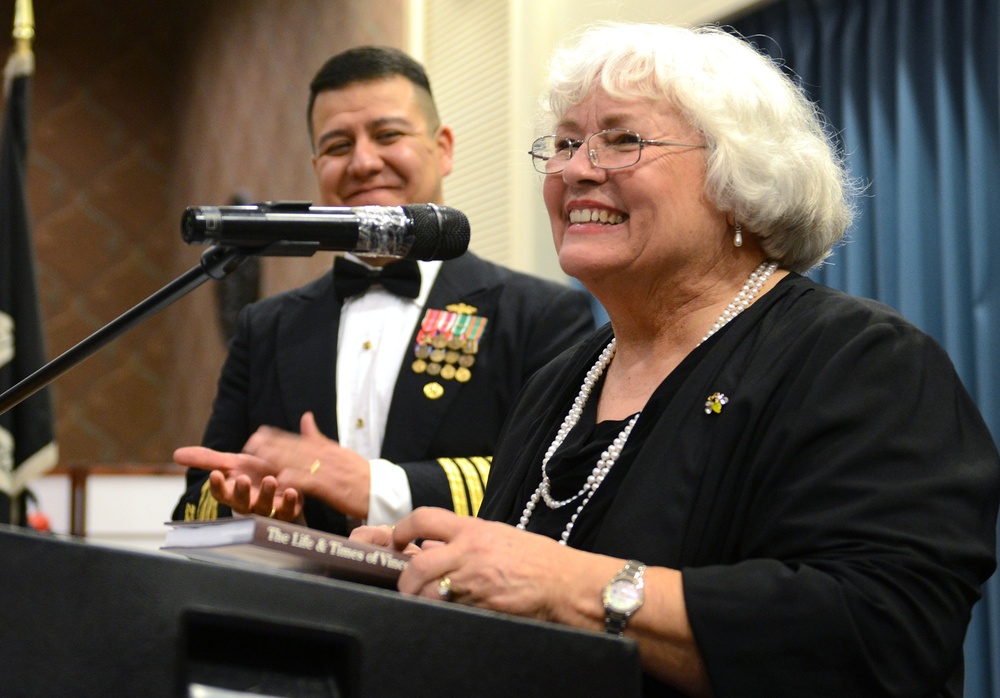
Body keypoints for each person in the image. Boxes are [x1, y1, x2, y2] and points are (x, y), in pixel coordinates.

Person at [341, 23, 997, 697]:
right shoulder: (560, 385)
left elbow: (882, 633)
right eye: (565, 143)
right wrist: (427, 579)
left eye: (623, 141)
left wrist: (569, 586)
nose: (576, 170)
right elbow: (520, 594)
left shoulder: (861, 361)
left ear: (740, 177)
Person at [171, 46, 594, 535]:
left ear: (444, 148)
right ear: (316, 167)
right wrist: (247, 505)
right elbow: (197, 499)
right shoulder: (266, 327)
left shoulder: (541, 314)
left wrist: (376, 486)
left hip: (453, 606)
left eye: (388, 135)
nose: (363, 162)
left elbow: (558, 484)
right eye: (336, 146)